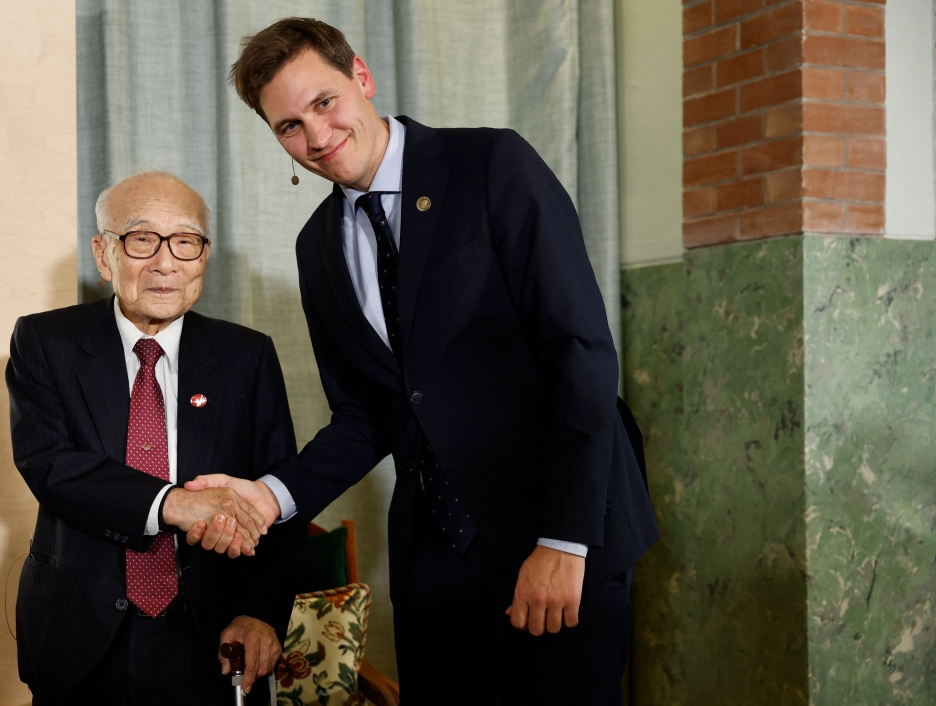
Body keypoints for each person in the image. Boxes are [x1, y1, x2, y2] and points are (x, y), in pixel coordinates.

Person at [189, 18, 660, 705]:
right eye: (288, 126)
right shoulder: (315, 246)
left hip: (555, 529)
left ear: (362, 77)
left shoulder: (494, 165)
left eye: (324, 103)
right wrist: (270, 496)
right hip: (433, 558)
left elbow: (580, 354)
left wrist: (566, 541)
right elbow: (366, 415)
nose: (316, 138)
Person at [6, 172, 305, 705]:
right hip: (80, 627)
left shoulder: (247, 356)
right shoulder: (45, 342)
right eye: (142, 239)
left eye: (186, 242)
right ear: (104, 255)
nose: (166, 263)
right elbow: (51, 466)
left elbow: (279, 497)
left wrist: (260, 611)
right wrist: (175, 505)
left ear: (204, 257)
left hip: (212, 631)